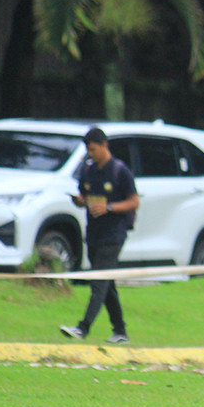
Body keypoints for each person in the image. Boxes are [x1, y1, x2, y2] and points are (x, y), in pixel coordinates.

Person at [60, 127, 139, 344]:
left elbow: (134, 202)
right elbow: (83, 196)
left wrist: (110, 208)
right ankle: (120, 331)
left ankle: (83, 328)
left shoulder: (120, 171)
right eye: (88, 150)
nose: (91, 154)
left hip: (114, 234)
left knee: (98, 281)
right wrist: (79, 200)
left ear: (105, 145)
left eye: (93, 149)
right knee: (107, 283)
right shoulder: (88, 171)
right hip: (93, 233)